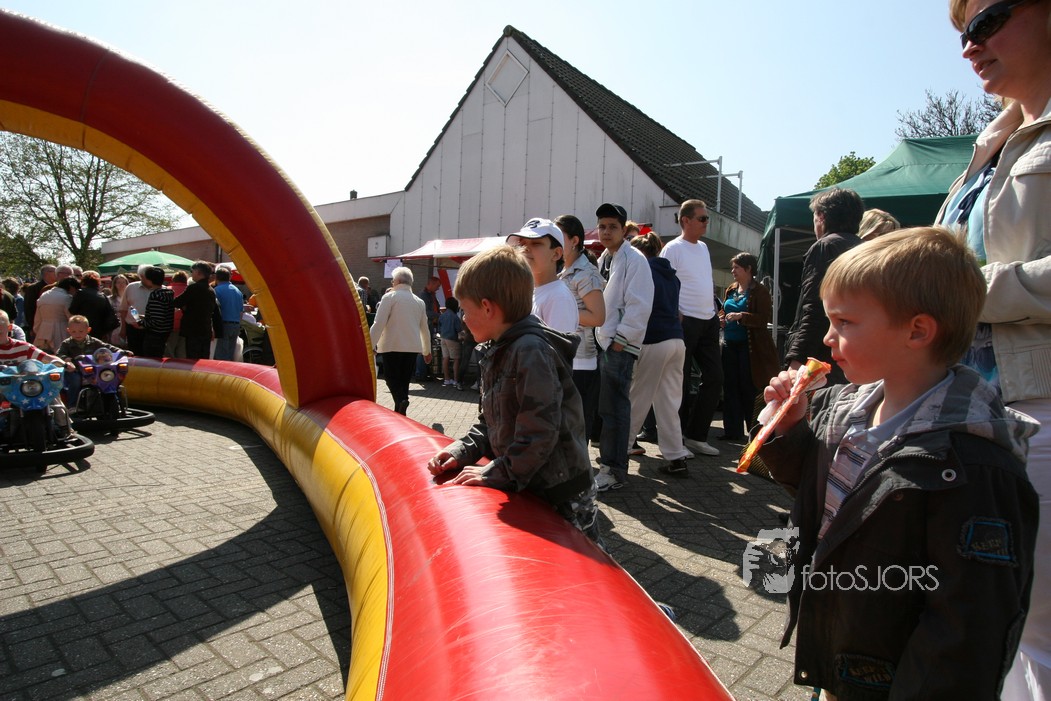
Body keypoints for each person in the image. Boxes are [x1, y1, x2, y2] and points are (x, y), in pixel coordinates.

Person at [758, 228, 1038, 700]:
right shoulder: (845, 409)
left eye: (844, 321)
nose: (826, 337)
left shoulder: (974, 465)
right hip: (840, 646)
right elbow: (817, 490)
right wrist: (789, 428)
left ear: (917, 331)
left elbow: (969, 629)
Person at [938, 2, 1051, 696]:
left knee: (1038, 629)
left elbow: (970, 280)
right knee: (993, 620)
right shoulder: (990, 141)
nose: (968, 47)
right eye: (961, 34)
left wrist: (965, 289)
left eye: (985, 22)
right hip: (972, 412)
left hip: (1038, 406)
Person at [426, 245, 600, 544]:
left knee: (584, 554)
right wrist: (460, 452)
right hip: (529, 480)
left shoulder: (530, 352)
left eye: (465, 310)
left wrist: (497, 472)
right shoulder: (497, 350)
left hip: (560, 491)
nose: (463, 319)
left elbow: (540, 432)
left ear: (487, 307)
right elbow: (490, 423)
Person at [594, 202, 653, 491]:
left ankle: (614, 470)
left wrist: (621, 339)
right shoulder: (606, 258)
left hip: (619, 345)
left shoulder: (634, 259)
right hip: (607, 342)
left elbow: (640, 303)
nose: (606, 232)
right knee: (608, 408)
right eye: (602, 226)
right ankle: (610, 464)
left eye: (612, 227)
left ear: (623, 229)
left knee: (615, 409)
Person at [625, 231, 692, 476]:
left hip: (654, 339)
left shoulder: (643, 271)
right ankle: (676, 456)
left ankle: (620, 450)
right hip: (676, 340)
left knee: (638, 397)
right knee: (668, 403)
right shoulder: (672, 277)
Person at [660, 199, 722, 458]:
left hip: (708, 320)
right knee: (680, 383)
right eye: (702, 218)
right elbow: (662, 283)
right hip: (685, 322)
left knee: (715, 378)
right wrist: (675, 312)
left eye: (707, 218)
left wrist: (714, 310)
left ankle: (696, 436)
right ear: (685, 220)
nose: (707, 223)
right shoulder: (672, 248)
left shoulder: (704, 247)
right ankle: (676, 441)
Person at [783, 188, 864, 386]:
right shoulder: (864, 249)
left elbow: (815, 308)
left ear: (821, 216)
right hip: (854, 354)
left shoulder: (825, 247)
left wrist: (796, 360)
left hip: (821, 360)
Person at [555, 214, 605, 443]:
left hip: (582, 361)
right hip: (565, 358)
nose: (553, 243)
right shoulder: (563, 272)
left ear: (574, 241)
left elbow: (598, 317)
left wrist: (560, 309)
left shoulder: (585, 272)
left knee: (576, 430)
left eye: (558, 237)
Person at [719, 253, 779, 441]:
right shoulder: (731, 289)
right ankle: (732, 431)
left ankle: (754, 432)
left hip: (750, 348)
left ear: (748, 269)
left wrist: (741, 316)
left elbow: (763, 319)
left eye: (736, 267)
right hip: (729, 345)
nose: (733, 271)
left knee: (748, 388)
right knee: (730, 388)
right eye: (733, 267)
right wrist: (721, 319)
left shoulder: (760, 291)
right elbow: (724, 310)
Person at [369, 266, 431, 415]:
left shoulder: (389, 297)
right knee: (404, 380)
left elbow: (379, 323)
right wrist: (427, 350)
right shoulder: (419, 302)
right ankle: (400, 411)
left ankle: (402, 400)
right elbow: (425, 328)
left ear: (397, 281)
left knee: (391, 378)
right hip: (412, 347)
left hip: (392, 344)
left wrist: (369, 345)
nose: (392, 283)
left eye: (392, 280)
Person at [506, 217, 578, 333]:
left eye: (535, 243)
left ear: (556, 253)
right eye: (522, 244)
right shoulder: (528, 291)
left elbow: (558, 344)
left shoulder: (559, 297)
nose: (525, 249)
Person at [56, 315, 125, 410]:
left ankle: (114, 401)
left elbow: (107, 347)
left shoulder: (94, 342)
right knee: (75, 381)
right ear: (68, 331)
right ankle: (73, 405)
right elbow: (59, 354)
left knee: (107, 377)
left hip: (93, 370)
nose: (77, 334)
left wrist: (121, 351)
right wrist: (67, 359)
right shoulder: (67, 343)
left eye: (81, 331)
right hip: (75, 370)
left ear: (88, 330)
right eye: (74, 332)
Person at [172, 261, 217, 360]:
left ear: (198, 272)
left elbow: (177, 302)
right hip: (206, 328)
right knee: (204, 358)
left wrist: (184, 307)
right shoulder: (211, 290)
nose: (191, 273)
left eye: (192, 271)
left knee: (192, 358)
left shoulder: (193, 288)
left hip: (193, 329)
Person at [131, 266, 174, 357]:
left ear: (149, 280)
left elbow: (156, 321)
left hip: (154, 336)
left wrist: (140, 322)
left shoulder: (156, 295)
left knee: (151, 359)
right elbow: (161, 314)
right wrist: (145, 317)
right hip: (165, 333)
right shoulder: (168, 293)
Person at [33, 276, 80, 354]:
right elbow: (71, 317)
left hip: (43, 330)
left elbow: (38, 318)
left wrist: (37, 330)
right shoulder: (66, 298)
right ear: (71, 287)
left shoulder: (44, 295)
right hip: (61, 330)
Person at [69, 271, 119, 341]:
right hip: (99, 329)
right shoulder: (102, 296)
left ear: (84, 282)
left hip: (84, 328)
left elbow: (72, 310)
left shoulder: (81, 293)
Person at [213, 266, 243, 361]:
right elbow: (241, 311)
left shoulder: (217, 290)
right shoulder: (238, 291)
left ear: (216, 277)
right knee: (230, 355)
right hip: (236, 324)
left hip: (223, 325)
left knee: (221, 355)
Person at [120, 267, 151, 355]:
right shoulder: (131, 287)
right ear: (141, 276)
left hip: (152, 329)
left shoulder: (162, 289)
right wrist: (123, 329)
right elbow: (123, 309)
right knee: (135, 355)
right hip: (133, 329)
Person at [22, 264, 57, 339]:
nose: (57, 273)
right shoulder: (33, 288)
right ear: (46, 273)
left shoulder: (59, 287)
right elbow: (29, 309)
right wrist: (32, 327)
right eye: (55, 271)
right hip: (39, 326)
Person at [437, 297, 462, 386]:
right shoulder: (455, 317)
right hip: (452, 339)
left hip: (443, 338)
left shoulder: (442, 316)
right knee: (456, 359)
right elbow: (459, 330)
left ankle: (447, 379)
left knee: (445, 358)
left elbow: (439, 328)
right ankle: (455, 380)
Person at [108, 273, 129, 346]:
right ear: (115, 284)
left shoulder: (130, 298)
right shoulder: (110, 299)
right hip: (115, 327)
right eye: (118, 282)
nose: (121, 284)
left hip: (129, 325)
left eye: (123, 282)